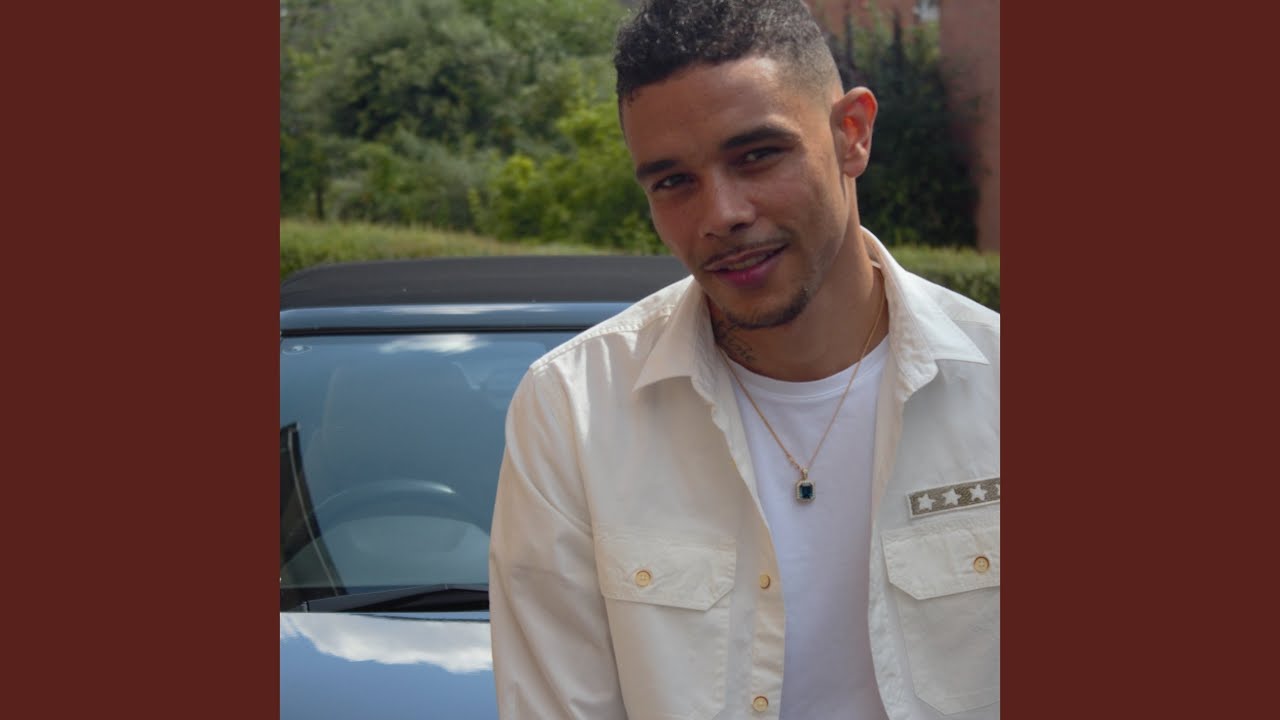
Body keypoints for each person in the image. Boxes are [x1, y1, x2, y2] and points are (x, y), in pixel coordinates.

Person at [488, 0, 999, 718]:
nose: (721, 213)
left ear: (851, 133)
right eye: (673, 181)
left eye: (757, 155)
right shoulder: (573, 410)